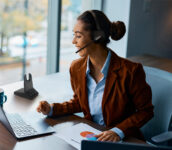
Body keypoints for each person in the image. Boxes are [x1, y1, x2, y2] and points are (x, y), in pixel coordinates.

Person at [37, 10, 154, 142]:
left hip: (123, 140)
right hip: (92, 135)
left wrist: (118, 131)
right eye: (73, 35)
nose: (73, 41)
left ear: (97, 36)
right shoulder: (76, 68)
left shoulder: (131, 71)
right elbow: (79, 102)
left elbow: (146, 111)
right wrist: (52, 109)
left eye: (78, 36)